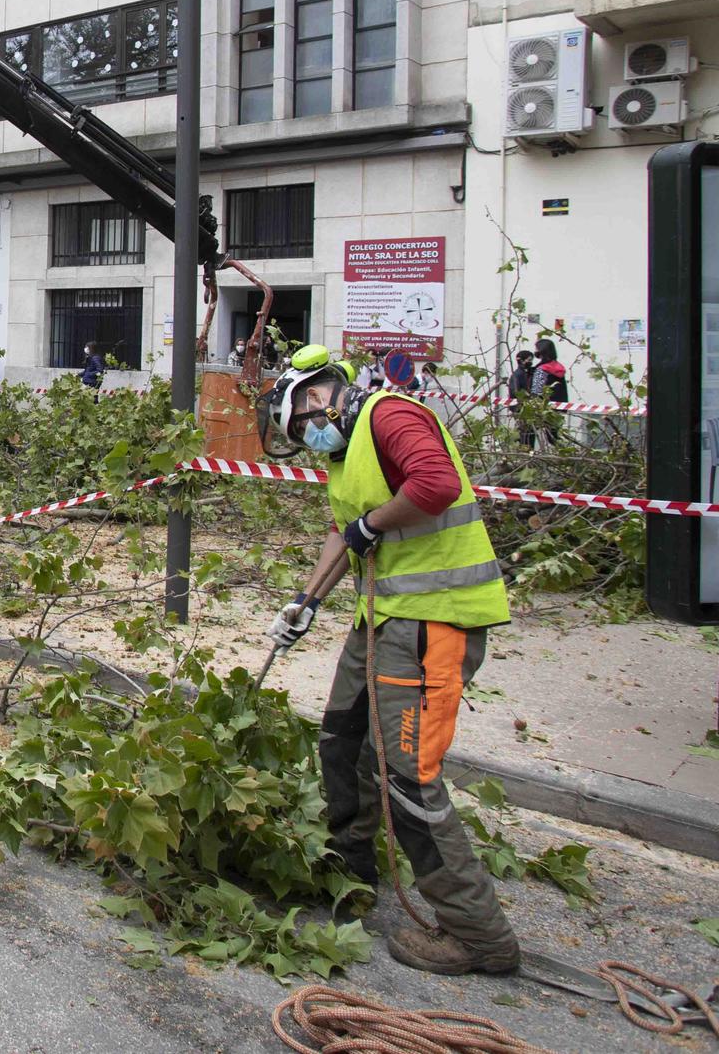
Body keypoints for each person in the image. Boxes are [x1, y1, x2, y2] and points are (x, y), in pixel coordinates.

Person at [256, 344, 520, 977]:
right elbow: (344, 532)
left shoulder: (389, 416)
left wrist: (372, 525)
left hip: (436, 621)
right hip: (383, 618)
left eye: (304, 423)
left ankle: (477, 935)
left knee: (407, 775)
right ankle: (352, 873)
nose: (308, 436)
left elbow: (435, 485)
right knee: (341, 742)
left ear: (319, 393)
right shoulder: (346, 457)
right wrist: (306, 601)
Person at [531, 338, 568, 447]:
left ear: (541, 351)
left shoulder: (542, 369)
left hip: (543, 407)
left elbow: (536, 389)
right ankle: (562, 452)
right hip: (558, 407)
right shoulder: (558, 367)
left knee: (531, 433)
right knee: (553, 434)